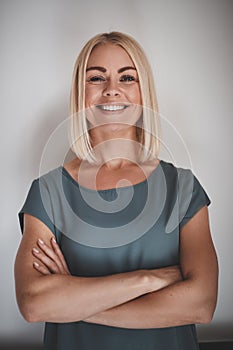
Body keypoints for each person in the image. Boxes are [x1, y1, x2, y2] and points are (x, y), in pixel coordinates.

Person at [14, 32, 218, 350]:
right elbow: (34, 304)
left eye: (127, 77)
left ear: (143, 91)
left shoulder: (183, 187)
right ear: (80, 93)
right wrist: (149, 280)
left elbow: (201, 304)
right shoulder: (48, 193)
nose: (112, 90)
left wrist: (74, 300)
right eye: (96, 77)